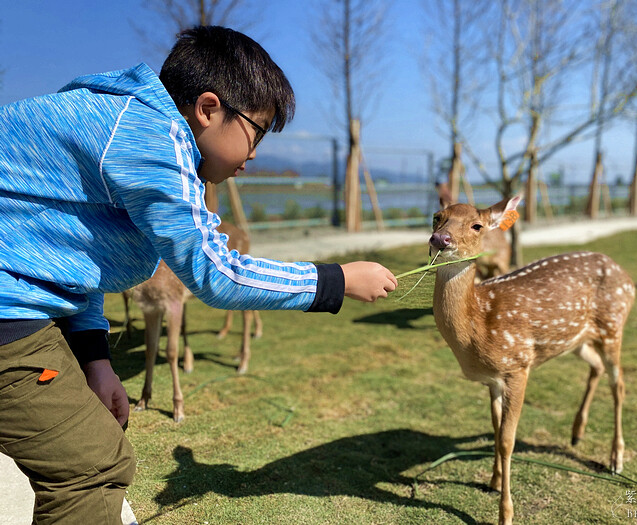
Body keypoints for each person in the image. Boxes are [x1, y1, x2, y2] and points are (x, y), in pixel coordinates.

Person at [0, 26, 397, 524]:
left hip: (19, 306)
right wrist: (336, 281)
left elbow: (77, 254)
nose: (255, 154)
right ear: (208, 109)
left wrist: (95, 358)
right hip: (9, 315)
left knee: (98, 453)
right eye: (257, 132)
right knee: (92, 468)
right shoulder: (151, 138)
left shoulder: (122, 122)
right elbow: (216, 272)